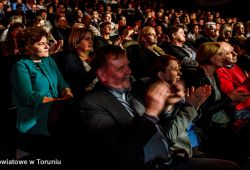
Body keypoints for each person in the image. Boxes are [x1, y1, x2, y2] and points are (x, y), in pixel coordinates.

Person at [79, 44, 240, 170]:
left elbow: (164, 133)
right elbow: (121, 156)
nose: (129, 71)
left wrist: (170, 107)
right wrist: (151, 113)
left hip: (171, 158)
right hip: (149, 166)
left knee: (232, 165)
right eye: (121, 68)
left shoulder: (133, 93)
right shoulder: (93, 104)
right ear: (102, 75)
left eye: (127, 65)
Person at [10, 26, 74, 137]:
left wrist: (67, 94)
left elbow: (62, 84)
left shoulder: (49, 60)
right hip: (33, 115)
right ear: (28, 47)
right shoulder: (20, 66)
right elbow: (29, 98)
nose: (47, 46)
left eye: (46, 42)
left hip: (56, 107)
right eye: (40, 44)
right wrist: (57, 101)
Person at [216, 41, 250, 119]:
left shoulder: (234, 65)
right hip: (240, 108)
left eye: (233, 50)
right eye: (229, 53)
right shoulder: (220, 71)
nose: (235, 53)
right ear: (219, 56)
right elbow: (233, 96)